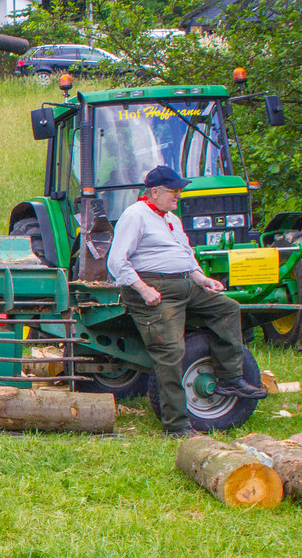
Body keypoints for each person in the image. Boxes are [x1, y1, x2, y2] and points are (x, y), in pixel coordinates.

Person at [107, 165, 267, 437]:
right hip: (153, 286)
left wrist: (203, 279)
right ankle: (176, 425)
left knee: (227, 308)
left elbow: (185, 255)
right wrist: (144, 290)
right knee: (170, 353)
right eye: (173, 191)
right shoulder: (135, 216)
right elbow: (116, 262)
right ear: (155, 191)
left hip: (184, 283)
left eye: (179, 191)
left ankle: (230, 378)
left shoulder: (170, 218)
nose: (178, 195)